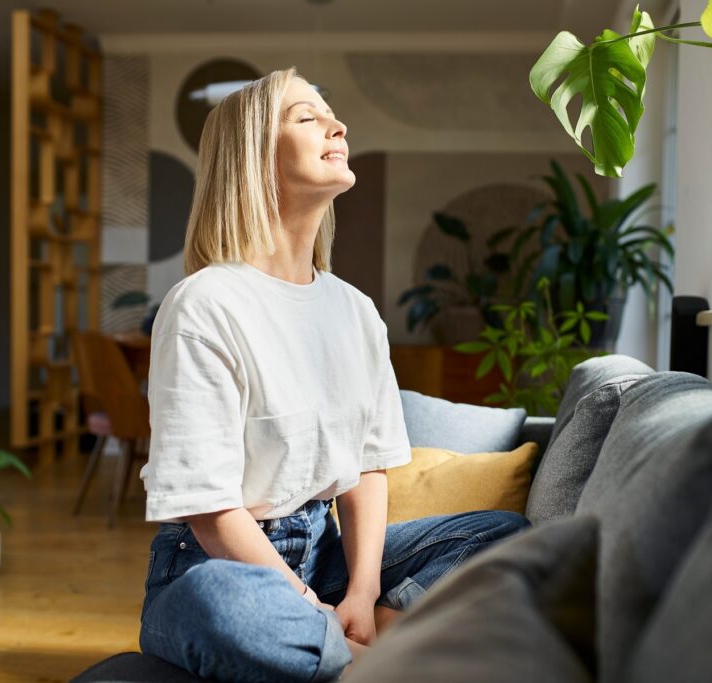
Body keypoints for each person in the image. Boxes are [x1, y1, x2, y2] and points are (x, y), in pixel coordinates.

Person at [137, 66, 530, 683]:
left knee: (505, 533)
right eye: (307, 116)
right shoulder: (203, 305)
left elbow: (366, 468)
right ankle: (384, 662)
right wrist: (302, 604)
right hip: (217, 564)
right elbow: (210, 510)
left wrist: (362, 594)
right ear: (254, 158)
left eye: (332, 113)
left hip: (327, 553)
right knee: (221, 605)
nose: (338, 126)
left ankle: (356, 645)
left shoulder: (354, 309)